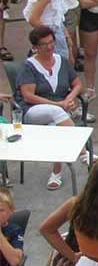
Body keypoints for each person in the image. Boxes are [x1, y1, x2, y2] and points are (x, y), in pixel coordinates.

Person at [15, 26, 87, 189]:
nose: (49, 47)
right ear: (35, 47)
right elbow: (28, 95)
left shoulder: (62, 61)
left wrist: (69, 98)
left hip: (60, 113)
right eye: (44, 44)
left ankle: (56, 173)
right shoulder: (29, 66)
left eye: (51, 42)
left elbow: (77, 84)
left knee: (57, 126)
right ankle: (83, 152)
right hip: (33, 110)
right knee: (56, 112)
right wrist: (59, 105)